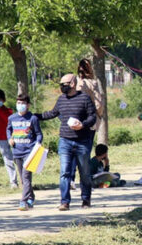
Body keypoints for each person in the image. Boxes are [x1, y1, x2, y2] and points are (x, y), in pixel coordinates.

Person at [40, 73, 97, 210]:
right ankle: (65, 201)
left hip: (82, 141)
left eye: (63, 84)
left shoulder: (84, 98)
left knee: (84, 172)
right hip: (65, 141)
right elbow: (52, 113)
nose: (61, 87)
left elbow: (93, 117)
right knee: (65, 172)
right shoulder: (61, 99)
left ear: (72, 83)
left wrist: (82, 125)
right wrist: (34, 116)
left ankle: (86, 200)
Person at [6, 93, 43, 211]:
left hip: (30, 152)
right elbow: (8, 129)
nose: (20, 105)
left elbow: (39, 134)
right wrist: (9, 138)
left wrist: (37, 145)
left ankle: (23, 201)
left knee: (26, 176)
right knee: (23, 178)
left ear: (28, 105)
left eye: (23, 103)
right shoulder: (12, 118)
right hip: (17, 151)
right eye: (18, 103)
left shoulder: (33, 118)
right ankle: (31, 196)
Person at [77, 59, 105, 140]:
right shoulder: (92, 83)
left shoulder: (73, 82)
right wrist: (98, 115)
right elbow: (98, 103)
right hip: (89, 120)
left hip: (74, 118)